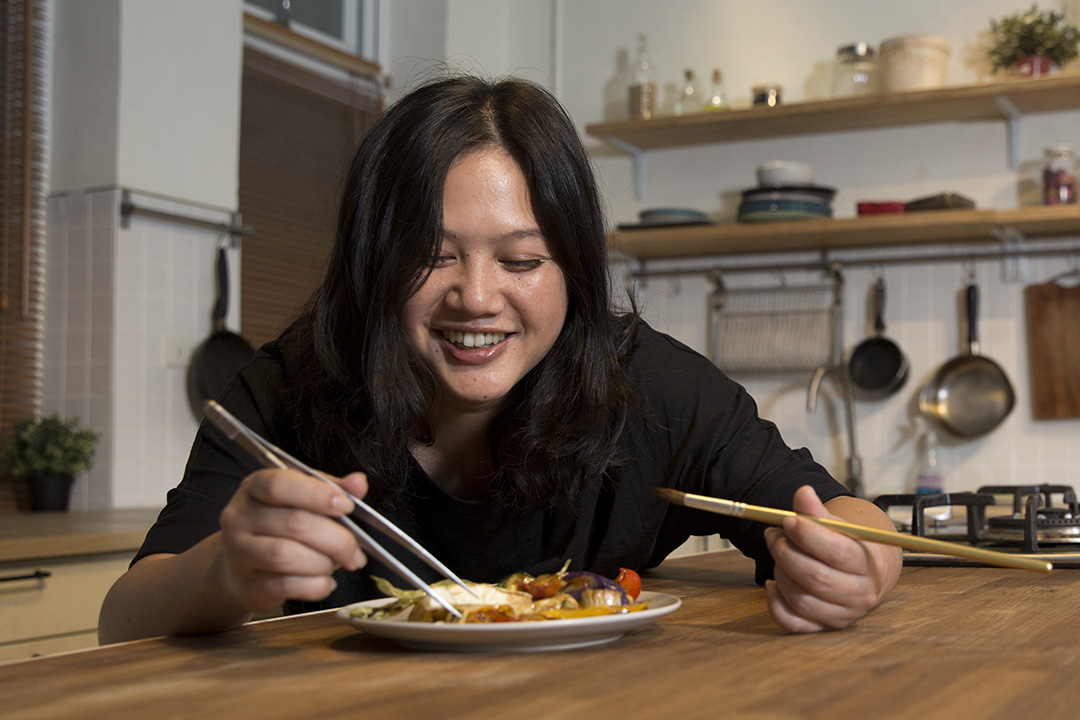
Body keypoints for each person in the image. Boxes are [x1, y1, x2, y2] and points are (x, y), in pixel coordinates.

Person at [98, 76, 901, 644]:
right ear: (372, 264)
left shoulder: (645, 386)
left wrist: (854, 564)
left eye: (522, 262)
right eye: (430, 256)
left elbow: (847, 520)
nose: (477, 298)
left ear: (574, 273)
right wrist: (224, 574)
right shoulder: (292, 384)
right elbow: (121, 618)